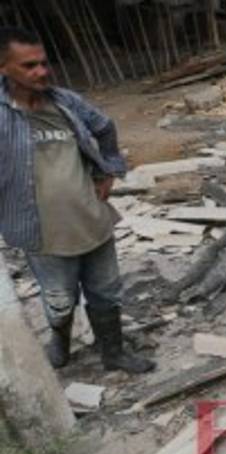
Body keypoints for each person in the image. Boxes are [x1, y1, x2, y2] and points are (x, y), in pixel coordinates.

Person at [0, 27, 154, 373]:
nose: (41, 71)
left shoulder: (64, 102)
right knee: (59, 299)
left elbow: (104, 127)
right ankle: (60, 341)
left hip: (91, 219)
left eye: (43, 62)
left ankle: (113, 353)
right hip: (43, 234)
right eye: (29, 66)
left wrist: (108, 170)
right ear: (3, 67)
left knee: (106, 291)